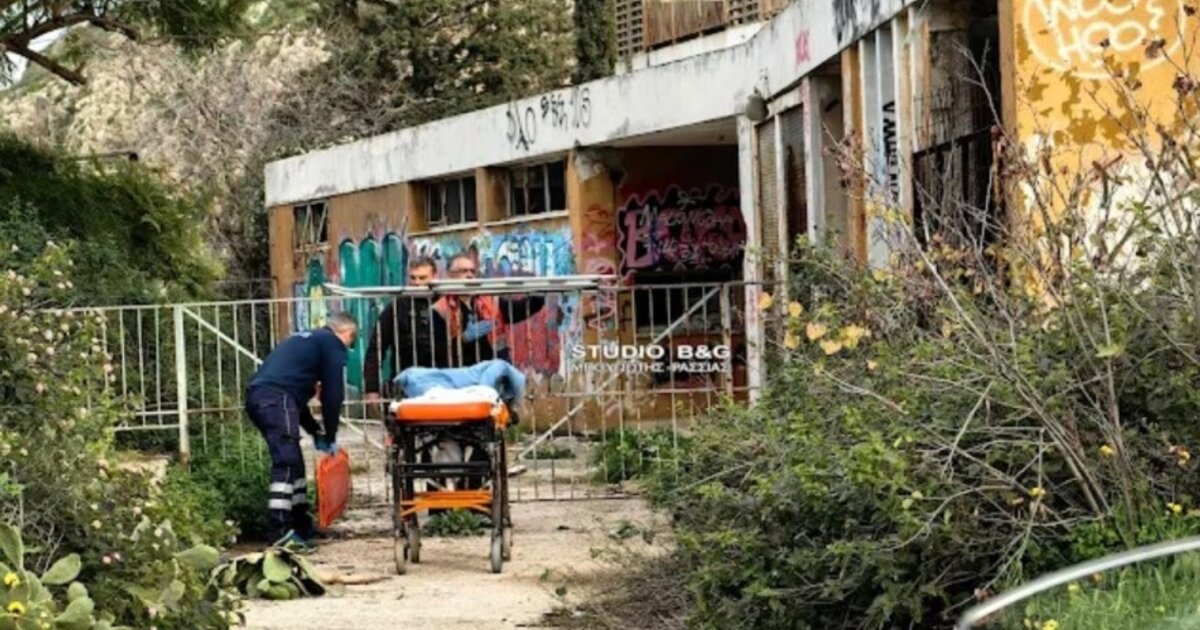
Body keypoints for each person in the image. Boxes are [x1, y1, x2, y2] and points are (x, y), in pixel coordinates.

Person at [244, 311, 358, 551]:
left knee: (295, 463)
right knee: (286, 462)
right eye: (351, 340)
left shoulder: (307, 340)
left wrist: (316, 432)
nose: (348, 348)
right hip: (276, 399)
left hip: (262, 397)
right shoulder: (332, 343)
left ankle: (300, 525)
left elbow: (296, 403)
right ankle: (279, 532)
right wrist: (331, 434)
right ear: (346, 332)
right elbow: (333, 393)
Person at [434, 253, 546, 367]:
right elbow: (437, 350)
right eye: (463, 271)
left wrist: (539, 295)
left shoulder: (489, 300)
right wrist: (463, 339)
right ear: (450, 275)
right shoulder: (440, 308)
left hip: (494, 368)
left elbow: (519, 310)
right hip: (462, 371)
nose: (469, 275)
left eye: (472, 271)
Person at [362, 257, 447, 404]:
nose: (417, 283)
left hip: (442, 381)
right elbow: (376, 349)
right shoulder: (397, 307)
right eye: (413, 278)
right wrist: (372, 389)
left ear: (435, 276)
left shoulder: (447, 303)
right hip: (405, 382)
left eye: (422, 278)